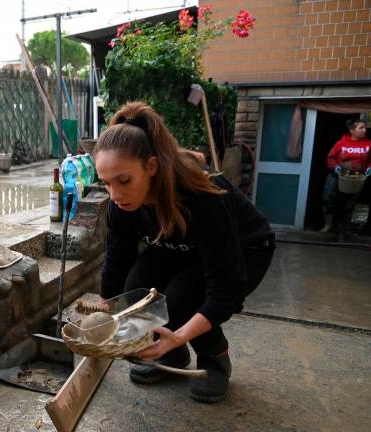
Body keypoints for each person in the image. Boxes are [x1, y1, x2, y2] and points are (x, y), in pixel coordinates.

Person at [95, 101, 275, 403]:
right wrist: (105, 312)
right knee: (134, 296)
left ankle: (215, 358)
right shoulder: (120, 203)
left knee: (179, 306)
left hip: (246, 248)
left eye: (124, 181)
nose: (115, 194)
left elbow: (225, 290)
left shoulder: (201, 195)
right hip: (183, 245)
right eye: (106, 184)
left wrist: (179, 333)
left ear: (151, 166)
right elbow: (118, 258)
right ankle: (172, 356)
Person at [320, 118, 371, 233]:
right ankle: (328, 225)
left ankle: (343, 228)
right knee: (328, 197)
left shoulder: (370, 144)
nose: (364, 130)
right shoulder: (341, 143)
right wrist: (335, 167)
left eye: (364, 127)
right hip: (337, 175)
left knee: (349, 204)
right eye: (361, 128)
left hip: (356, 178)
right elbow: (331, 158)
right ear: (352, 130)